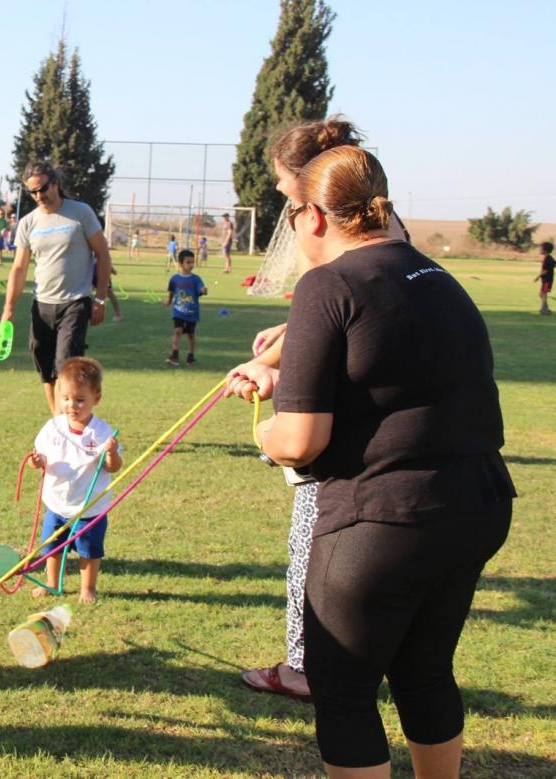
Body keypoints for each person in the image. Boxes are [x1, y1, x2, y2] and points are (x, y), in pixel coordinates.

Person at [226, 145, 514, 777]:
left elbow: (299, 441)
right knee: (425, 674)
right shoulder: (435, 273)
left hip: (384, 520)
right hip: (475, 505)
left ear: (316, 217)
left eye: (292, 214)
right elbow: (396, 383)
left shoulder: (326, 284)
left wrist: (265, 435)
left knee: (345, 692)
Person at [238, 116, 406, 702]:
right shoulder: (392, 239)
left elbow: (329, 311)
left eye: (288, 193)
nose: (287, 206)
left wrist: (271, 426)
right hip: (439, 475)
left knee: (312, 537)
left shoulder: (331, 242)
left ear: (312, 196)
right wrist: (286, 339)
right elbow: (346, 318)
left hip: (347, 446)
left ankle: (305, 666)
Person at [0, 161, 113, 416]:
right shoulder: (28, 223)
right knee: (44, 365)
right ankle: (58, 423)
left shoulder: (80, 213)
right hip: (42, 305)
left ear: (55, 183)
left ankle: (72, 423)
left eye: (43, 188)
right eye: (33, 192)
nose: (39, 196)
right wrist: (8, 308)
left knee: (66, 364)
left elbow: (103, 255)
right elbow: (18, 268)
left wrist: (101, 299)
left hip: (75, 301)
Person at [28, 357, 122, 603]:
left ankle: (87, 588)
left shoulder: (102, 432)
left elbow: (113, 468)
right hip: (58, 504)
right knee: (51, 546)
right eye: (66, 399)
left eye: (80, 400)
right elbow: (38, 457)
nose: (72, 406)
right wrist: (35, 462)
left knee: (89, 551)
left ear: (96, 399)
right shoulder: (53, 427)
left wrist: (111, 452)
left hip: (89, 508)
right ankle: (51, 583)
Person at [166, 249, 206, 366]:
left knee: (191, 335)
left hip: (192, 312)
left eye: (192, 262)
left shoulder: (196, 279)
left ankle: (191, 356)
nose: (191, 265)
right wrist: (168, 302)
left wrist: (203, 291)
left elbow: (201, 289)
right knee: (177, 331)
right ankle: (174, 356)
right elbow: (172, 292)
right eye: (188, 262)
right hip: (178, 311)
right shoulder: (174, 279)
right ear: (180, 263)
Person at [534, 240, 553, 315]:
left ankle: (543, 310)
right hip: (545, 280)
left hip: (547, 280)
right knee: (541, 294)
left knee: (543, 294)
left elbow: (545, 271)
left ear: (545, 250)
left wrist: (537, 277)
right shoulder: (548, 258)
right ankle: (546, 309)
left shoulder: (548, 259)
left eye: (541, 248)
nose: (539, 250)